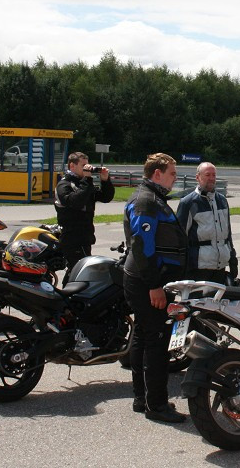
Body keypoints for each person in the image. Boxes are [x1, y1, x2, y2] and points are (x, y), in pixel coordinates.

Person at [123, 153, 188, 423]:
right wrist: (154, 285)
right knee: (156, 343)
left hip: (146, 279)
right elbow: (141, 244)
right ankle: (157, 405)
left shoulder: (153, 198)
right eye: (172, 173)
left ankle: (142, 398)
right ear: (157, 174)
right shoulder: (146, 201)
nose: (175, 177)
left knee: (143, 337)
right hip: (147, 281)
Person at [54, 151, 115, 279]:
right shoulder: (64, 184)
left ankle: (69, 294)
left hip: (85, 237)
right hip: (72, 237)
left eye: (88, 165)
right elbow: (76, 201)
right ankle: (70, 295)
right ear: (72, 166)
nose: (87, 168)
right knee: (79, 272)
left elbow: (105, 197)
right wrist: (87, 180)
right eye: (83, 166)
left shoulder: (84, 184)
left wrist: (105, 181)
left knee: (76, 271)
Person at [176, 162, 238, 285]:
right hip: (198, 268)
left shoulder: (222, 201)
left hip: (220, 267)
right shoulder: (188, 203)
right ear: (197, 177)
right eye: (207, 174)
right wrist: (181, 267)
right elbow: (179, 238)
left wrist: (232, 259)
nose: (211, 178)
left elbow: (228, 234)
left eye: (214, 175)